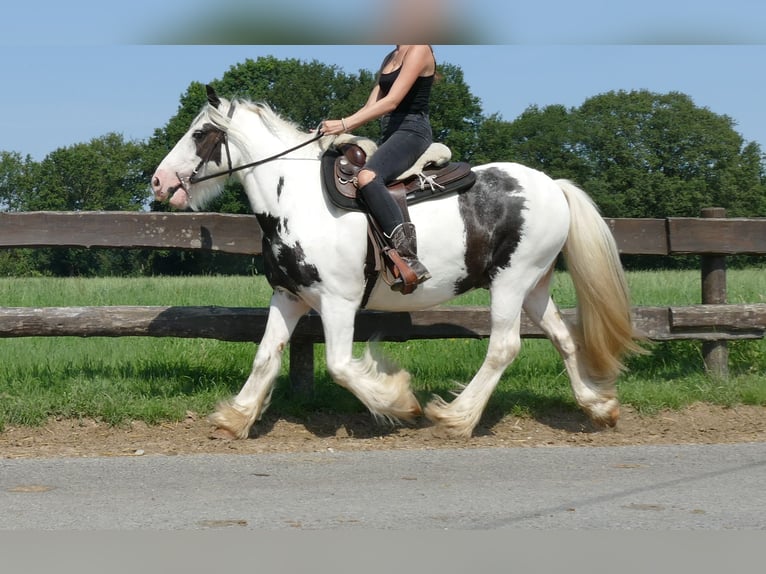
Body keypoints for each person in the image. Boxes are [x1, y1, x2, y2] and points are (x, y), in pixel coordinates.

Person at [321, 45, 436, 291]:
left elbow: (392, 102)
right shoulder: (390, 57)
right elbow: (370, 107)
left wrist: (343, 124)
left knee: (367, 177)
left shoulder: (419, 49)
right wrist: (331, 130)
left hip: (413, 131)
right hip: (391, 134)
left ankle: (408, 259)